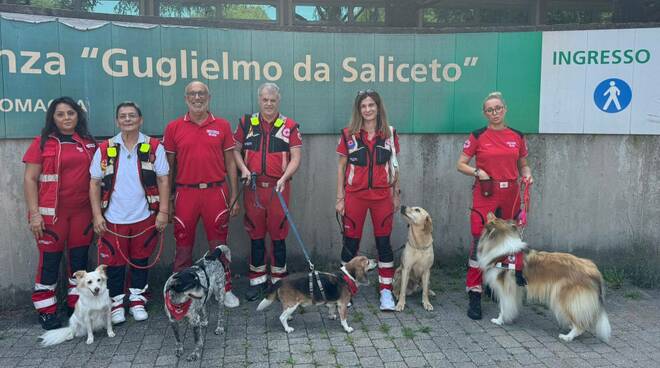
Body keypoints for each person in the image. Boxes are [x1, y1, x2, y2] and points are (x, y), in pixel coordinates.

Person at [89, 102, 170, 324]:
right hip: (113, 218)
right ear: (117, 121)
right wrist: (97, 215)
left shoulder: (153, 146)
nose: (127, 119)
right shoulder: (106, 148)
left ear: (140, 119)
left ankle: (137, 301)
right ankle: (116, 304)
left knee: (140, 261)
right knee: (114, 265)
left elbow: (163, 179)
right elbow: (94, 183)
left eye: (132, 116)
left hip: (144, 216)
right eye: (123, 116)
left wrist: (163, 211)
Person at [456, 91, 533, 320]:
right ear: (485, 113)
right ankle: (474, 293)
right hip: (486, 193)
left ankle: (498, 287)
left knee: (508, 241)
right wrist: (477, 172)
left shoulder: (517, 136)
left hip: (511, 192)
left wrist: (528, 175)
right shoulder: (478, 135)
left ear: (505, 109)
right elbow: (460, 164)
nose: (495, 113)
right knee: (479, 241)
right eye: (490, 110)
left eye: (498, 108)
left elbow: (524, 164)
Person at [163, 81, 240, 308]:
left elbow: (230, 162)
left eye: (202, 93)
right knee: (183, 245)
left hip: (216, 192)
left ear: (209, 96)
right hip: (185, 193)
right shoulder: (174, 127)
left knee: (219, 246)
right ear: (186, 98)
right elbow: (168, 167)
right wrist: (167, 200)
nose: (197, 97)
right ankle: (180, 292)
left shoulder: (223, 125)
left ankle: (223, 290)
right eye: (192, 94)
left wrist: (234, 194)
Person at [23, 96, 97, 330]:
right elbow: (30, 179)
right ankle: (46, 310)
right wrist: (34, 214)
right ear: (52, 118)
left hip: (82, 214)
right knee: (49, 264)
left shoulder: (88, 142)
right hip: (51, 216)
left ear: (78, 115)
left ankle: (76, 306)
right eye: (60, 114)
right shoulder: (42, 143)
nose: (66, 118)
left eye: (71, 113)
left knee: (78, 264)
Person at [233, 82, 302, 301]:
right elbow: (234, 150)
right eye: (265, 99)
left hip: (279, 189)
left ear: (278, 101)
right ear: (259, 100)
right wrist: (243, 169)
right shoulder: (246, 123)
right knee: (255, 234)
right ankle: (257, 281)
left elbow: (296, 157)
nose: (269, 104)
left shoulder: (289, 125)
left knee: (278, 234)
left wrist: (283, 178)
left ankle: (279, 283)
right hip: (253, 188)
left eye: (272, 100)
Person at [336, 89, 400, 311]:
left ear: (378, 107)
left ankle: (385, 292)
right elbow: (342, 167)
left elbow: (394, 165)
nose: (368, 109)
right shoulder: (348, 134)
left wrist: (396, 193)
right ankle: (344, 291)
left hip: (382, 197)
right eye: (363, 106)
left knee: (384, 244)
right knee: (350, 244)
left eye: (371, 105)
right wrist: (340, 197)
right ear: (358, 110)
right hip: (355, 196)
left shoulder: (390, 133)